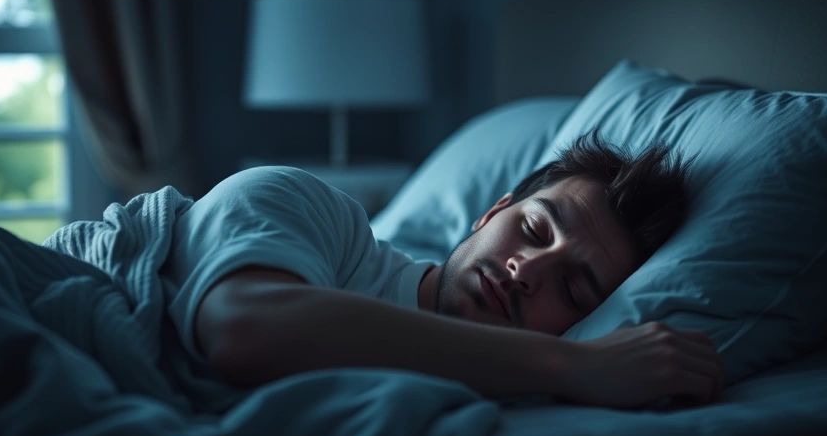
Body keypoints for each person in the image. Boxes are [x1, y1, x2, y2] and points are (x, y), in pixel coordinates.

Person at [162, 130, 724, 409]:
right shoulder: (305, 206)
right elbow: (243, 327)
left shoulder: (491, 391)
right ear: (491, 212)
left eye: (573, 287)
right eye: (532, 230)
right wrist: (570, 363)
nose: (526, 270)